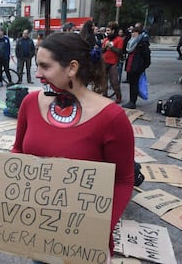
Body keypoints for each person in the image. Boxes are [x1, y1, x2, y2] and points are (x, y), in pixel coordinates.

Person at [11, 32, 134, 263]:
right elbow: (18, 150)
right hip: (39, 235)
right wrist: (9, 187)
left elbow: (123, 180)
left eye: (45, 66)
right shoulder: (29, 103)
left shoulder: (112, 118)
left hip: (84, 245)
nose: (37, 74)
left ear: (72, 68)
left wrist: (96, 228)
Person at [122, 26, 151, 109]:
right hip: (131, 66)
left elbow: (147, 57)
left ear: (138, 33)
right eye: (132, 32)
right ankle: (131, 100)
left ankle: (132, 102)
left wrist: (143, 66)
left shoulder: (142, 43)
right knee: (132, 84)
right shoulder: (132, 42)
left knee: (134, 84)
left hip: (136, 67)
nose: (132, 34)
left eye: (134, 32)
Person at [101, 21, 123, 103]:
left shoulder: (119, 40)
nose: (107, 32)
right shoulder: (106, 39)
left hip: (113, 63)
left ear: (113, 31)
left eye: (108, 31)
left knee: (114, 81)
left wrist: (111, 47)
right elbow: (102, 51)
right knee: (103, 80)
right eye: (106, 31)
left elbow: (120, 52)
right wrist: (105, 47)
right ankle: (104, 94)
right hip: (104, 61)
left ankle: (118, 96)